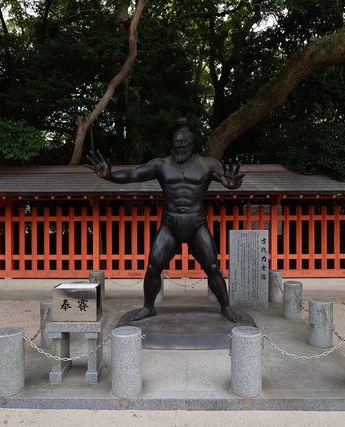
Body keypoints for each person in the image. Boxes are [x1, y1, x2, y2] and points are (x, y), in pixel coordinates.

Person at [86, 118, 244, 322]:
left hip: (196, 223)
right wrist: (110, 176)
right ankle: (148, 307)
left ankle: (226, 308)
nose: (179, 147)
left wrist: (233, 184)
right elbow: (134, 174)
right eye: (176, 143)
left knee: (212, 267)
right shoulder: (161, 164)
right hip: (170, 224)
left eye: (183, 143)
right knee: (153, 266)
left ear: (191, 144)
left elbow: (229, 180)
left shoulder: (207, 164)